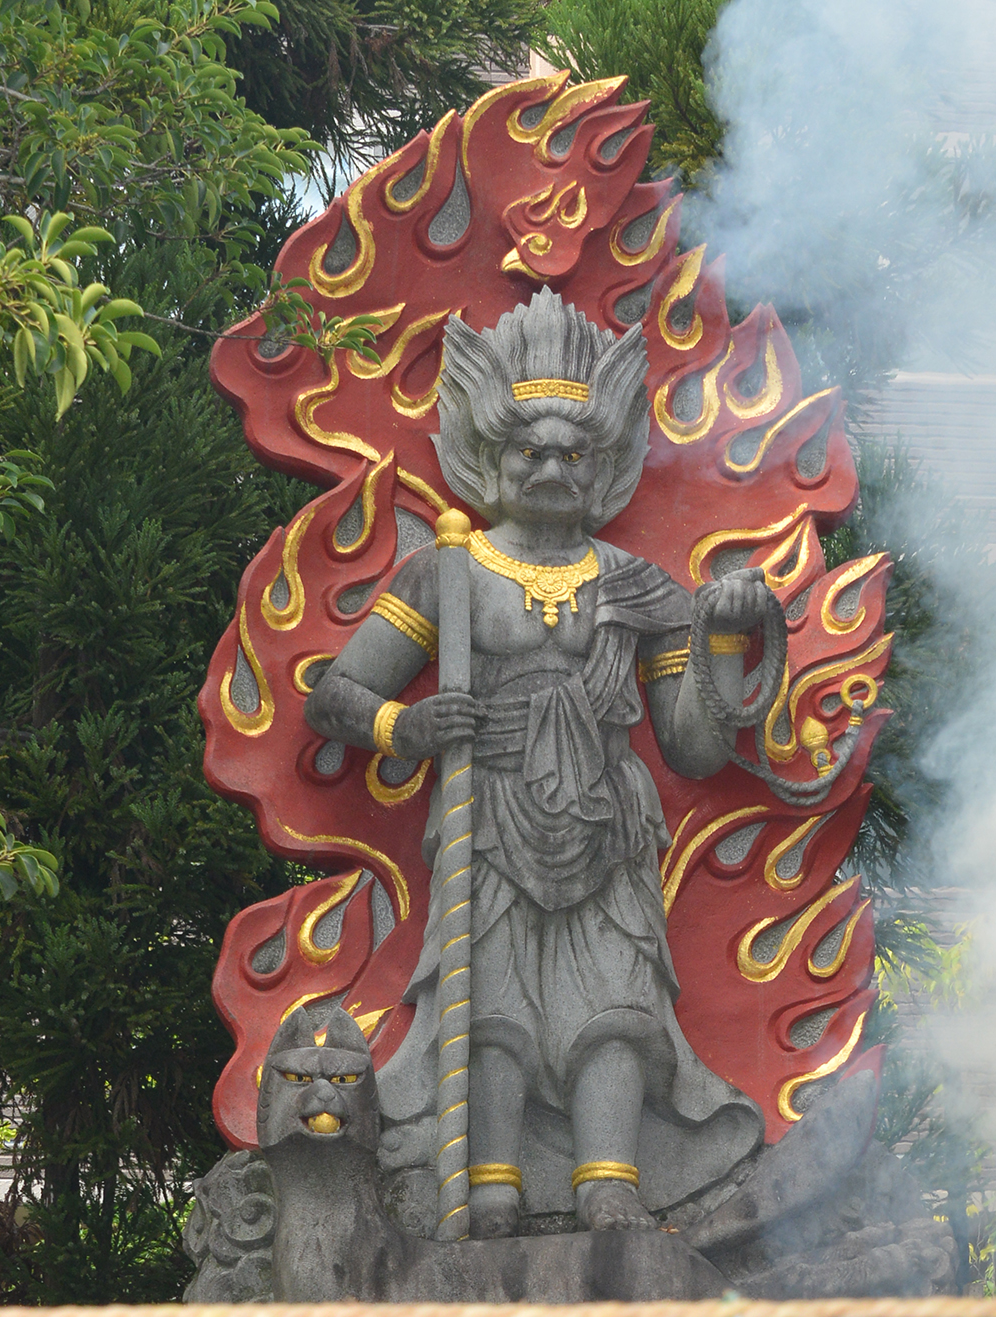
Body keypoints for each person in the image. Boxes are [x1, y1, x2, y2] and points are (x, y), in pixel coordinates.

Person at [305, 289, 772, 1237]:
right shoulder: (450, 571)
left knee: (616, 1000)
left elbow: (690, 745)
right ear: (490, 457)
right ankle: (492, 1186)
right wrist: (410, 726)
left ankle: (609, 1183)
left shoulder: (638, 586)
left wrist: (725, 649)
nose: (554, 467)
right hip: (490, 812)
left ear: (604, 468)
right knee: (491, 1005)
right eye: (532, 451)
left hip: (606, 821)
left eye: (574, 453)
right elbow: (335, 698)